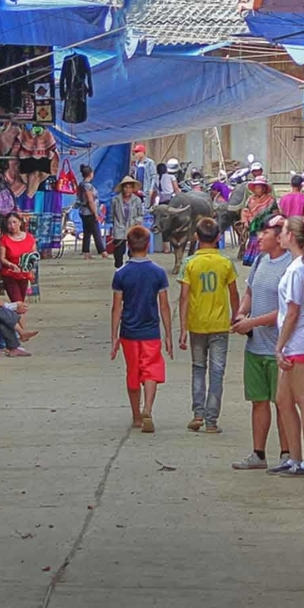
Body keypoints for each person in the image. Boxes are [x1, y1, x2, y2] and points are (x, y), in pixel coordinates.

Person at [230, 215, 293, 470]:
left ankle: (287, 453)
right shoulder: (259, 262)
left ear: (279, 237)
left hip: (280, 347)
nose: (259, 238)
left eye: (263, 233)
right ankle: (258, 453)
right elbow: (250, 292)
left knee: (283, 404)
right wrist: (242, 313)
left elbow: (288, 311)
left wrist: (252, 323)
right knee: (258, 401)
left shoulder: (292, 266)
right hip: (255, 346)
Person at [269, 217, 304, 477]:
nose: (279, 235)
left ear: (291, 236)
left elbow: (292, 311)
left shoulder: (297, 270)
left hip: (299, 340)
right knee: (284, 399)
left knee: (303, 399)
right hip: (298, 339)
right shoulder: (301, 267)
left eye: (283, 231)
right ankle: (295, 455)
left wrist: (279, 346)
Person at [110, 225, 173, 433]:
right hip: (151, 331)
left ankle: (137, 416)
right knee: (151, 370)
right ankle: (148, 407)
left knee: (133, 372)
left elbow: (116, 308)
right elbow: (164, 305)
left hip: (129, 332)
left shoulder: (121, 274)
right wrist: (168, 335)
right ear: (148, 245)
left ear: (128, 246)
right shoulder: (157, 272)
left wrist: (114, 337)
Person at [177, 218, 238, 434]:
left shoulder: (189, 263)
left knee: (198, 368)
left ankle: (198, 414)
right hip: (220, 325)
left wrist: (183, 327)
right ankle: (211, 421)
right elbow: (234, 293)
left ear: (196, 237)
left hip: (197, 325)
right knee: (217, 372)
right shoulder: (226, 263)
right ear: (218, 238)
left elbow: (184, 297)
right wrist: (236, 317)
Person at [0, 211, 39, 316]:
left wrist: (29, 263)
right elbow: (2, 258)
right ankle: (21, 330)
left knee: (20, 303)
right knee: (18, 303)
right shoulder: (4, 239)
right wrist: (10, 265)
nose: (12, 226)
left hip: (24, 274)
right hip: (10, 274)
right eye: (9, 223)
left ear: (20, 223)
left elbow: (34, 254)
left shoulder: (29, 237)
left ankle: (17, 328)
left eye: (14, 222)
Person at [240, 176, 278, 266]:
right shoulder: (250, 199)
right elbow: (245, 211)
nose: (257, 189)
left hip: (266, 226)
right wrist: (245, 221)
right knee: (253, 241)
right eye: (256, 187)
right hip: (253, 226)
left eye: (259, 187)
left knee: (264, 242)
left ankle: (263, 260)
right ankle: (251, 259)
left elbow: (275, 214)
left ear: (264, 188)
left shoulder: (271, 200)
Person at [110, 175, 145, 269]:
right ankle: (119, 270)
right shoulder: (115, 200)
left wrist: (137, 221)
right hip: (119, 227)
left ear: (133, 189)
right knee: (118, 252)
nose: (128, 190)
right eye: (126, 187)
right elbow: (112, 215)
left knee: (133, 251)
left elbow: (140, 214)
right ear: (122, 188)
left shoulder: (137, 200)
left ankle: (131, 269)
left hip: (132, 227)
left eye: (130, 187)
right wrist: (113, 227)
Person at [75, 164, 109, 260]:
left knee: (87, 232)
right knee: (96, 231)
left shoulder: (81, 184)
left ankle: (86, 252)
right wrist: (95, 213)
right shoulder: (87, 186)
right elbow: (90, 200)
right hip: (89, 211)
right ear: (91, 174)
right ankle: (103, 251)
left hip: (83, 211)